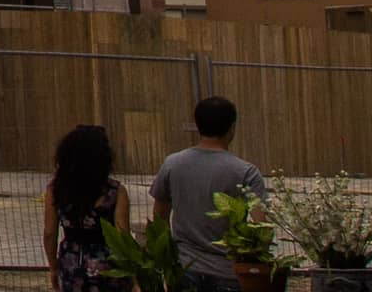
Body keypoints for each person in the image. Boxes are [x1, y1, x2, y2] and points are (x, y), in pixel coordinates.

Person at [152, 97, 266, 292]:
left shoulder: (173, 163)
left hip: (184, 267)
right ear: (232, 127)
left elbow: (159, 217)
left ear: (198, 125)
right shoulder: (246, 172)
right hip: (228, 271)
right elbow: (261, 227)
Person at [47, 123, 128, 292]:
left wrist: (54, 266)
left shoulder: (56, 190)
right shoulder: (116, 192)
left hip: (71, 263)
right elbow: (123, 237)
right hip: (108, 266)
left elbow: (49, 233)